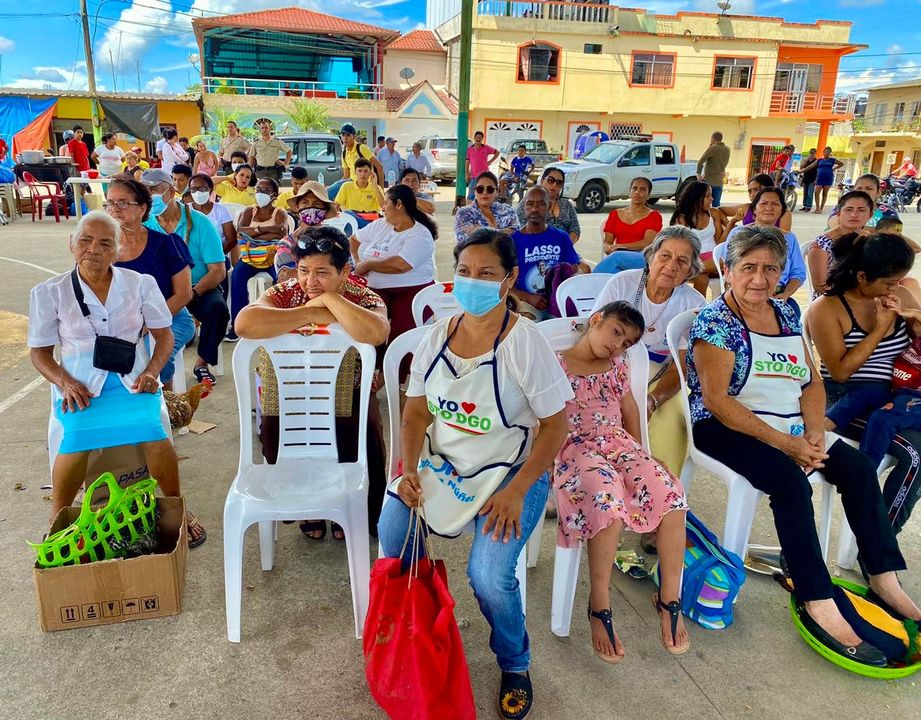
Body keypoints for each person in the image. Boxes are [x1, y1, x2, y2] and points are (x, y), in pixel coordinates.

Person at [689, 225, 921, 667]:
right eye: (749, 267)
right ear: (729, 270)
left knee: (857, 468)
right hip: (727, 427)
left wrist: (814, 430)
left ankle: (882, 577)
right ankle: (816, 595)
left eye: (770, 269)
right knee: (790, 484)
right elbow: (718, 401)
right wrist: (786, 445)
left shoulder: (786, 312)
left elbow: (811, 381)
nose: (759, 278)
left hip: (790, 423)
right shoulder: (715, 321)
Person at [378, 229, 572, 719]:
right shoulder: (436, 336)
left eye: (487, 273)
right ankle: (422, 628)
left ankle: (514, 660)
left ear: (508, 279)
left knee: (488, 576)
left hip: (510, 473)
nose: (473, 281)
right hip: (442, 463)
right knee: (393, 533)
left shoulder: (524, 342)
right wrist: (408, 469)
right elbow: (416, 412)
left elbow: (555, 426)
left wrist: (518, 491)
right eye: (465, 271)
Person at [28, 210, 206, 548]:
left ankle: (175, 506)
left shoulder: (140, 284)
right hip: (80, 386)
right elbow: (39, 354)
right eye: (85, 240)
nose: (93, 249)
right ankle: (58, 517)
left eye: (105, 243)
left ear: (118, 250)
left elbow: (164, 336)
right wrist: (65, 382)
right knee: (75, 435)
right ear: (71, 244)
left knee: (153, 432)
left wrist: (152, 371)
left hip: (133, 381)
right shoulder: (49, 292)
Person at [235, 225, 391, 538]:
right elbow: (244, 323)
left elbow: (376, 332)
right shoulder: (285, 292)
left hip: (350, 393)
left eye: (322, 273)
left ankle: (353, 508)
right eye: (304, 270)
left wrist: (332, 301)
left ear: (344, 272)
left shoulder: (363, 296)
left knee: (366, 430)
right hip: (291, 393)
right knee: (275, 429)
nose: (310, 281)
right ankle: (309, 508)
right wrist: (311, 313)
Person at [555, 301, 689, 660]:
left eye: (627, 342)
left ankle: (669, 598)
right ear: (596, 319)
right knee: (607, 501)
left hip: (618, 444)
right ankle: (599, 603)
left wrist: (643, 454)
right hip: (576, 450)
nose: (617, 345)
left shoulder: (616, 366)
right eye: (616, 333)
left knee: (671, 495)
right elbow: (544, 416)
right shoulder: (557, 364)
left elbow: (629, 409)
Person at [808, 232, 921, 537]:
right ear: (862, 276)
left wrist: (915, 321)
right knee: (916, 455)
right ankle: (879, 541)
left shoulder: (900, 295)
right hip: (847, 398)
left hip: (897, 396)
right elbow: (840, 372)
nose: (895, 288)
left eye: (899, 281)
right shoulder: (827, 309)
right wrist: (879, 330)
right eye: (888, 282)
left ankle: (879, 540)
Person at [591, 227, 706, 475]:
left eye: (682, 261)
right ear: (650, 256)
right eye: (665, 256)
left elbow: (682, 365)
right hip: (611, 366)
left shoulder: (694, 303)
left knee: (673, 420)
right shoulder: (622, 284)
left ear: (690, 271)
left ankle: (659, 486)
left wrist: (654, 399)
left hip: (663, 375)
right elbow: (594, 336)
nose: (671, 266)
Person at [103, 178, 193, 390]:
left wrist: (147, 323)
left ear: (142, 209)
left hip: (171, 318)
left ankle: (167, 400)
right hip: (120, 323)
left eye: (123, 202)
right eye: (110, 203)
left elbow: (184, 294)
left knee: (154, 354)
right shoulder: (101, 249)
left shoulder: (166, 244)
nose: (115, 209)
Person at [141, 169, 228, 385]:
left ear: (171, 192)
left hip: (198, 287)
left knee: (217, 310)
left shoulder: (199, 222)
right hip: (159, 291)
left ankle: (202, 363)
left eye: (154, 190)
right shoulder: (144, 225)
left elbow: (218, 270)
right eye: (145, 191)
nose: (149, 196)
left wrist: (192, 293)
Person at [351, 184, 437, 368]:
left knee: (401, 336)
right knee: (371, 331)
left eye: (386, 203)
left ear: (399, 204)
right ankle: (372, 375)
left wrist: (368, 264)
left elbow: (401, 265)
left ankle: (395, 377)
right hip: (375, 289)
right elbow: (354, 240)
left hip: (412, 290)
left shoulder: (420, 234)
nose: (382, 207)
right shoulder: (380, 225)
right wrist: (356, 261)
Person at [511, 186, 588, 321]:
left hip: (557, 300)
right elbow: (503, 284)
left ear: (549, 207)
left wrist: (560, 273)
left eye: (541, 204)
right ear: (524, 207)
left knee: (572, 325)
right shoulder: (513, 241)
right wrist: (528, 297)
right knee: (527, 321)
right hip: (528, 302)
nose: (534, 209)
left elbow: (573, 266)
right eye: (530, 204)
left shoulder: (561, 237)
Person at [724, 188, 806, 310]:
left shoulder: (789, 238)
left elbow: (798, 273)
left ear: (782, 211)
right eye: (763, 203)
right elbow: (729, 267)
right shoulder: (738, 234)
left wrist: (785, 294)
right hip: (744, 294)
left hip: (779, 295)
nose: (769, 207)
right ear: (754, 210)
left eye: (775, 204)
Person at [228, 177, 290, 338]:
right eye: (258, 190)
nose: (260, 193)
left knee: (280, 281)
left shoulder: (280, 212)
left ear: (274, 194)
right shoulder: (249, 211)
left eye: (265, 191)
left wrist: (254, 233)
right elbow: (240, 231)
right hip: (250, 256)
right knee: (237, 277)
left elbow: (281, 232)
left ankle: (278, 322)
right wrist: (266, 231)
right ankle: (237, 325)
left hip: (272, 257)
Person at [275, 181, 355, 282]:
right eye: (305, 203)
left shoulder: (337, 239)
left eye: (317, 204)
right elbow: (285, 277)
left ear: (325, 210)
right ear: (297, 207)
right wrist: (328, 273)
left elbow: (348, 273)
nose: (310, 208)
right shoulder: (287, 243)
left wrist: (299, 273)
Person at [807, 190, 875, 298]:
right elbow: (821, 286)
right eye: (848, 209)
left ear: (870, 215)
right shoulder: (822, 244)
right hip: (832, 299)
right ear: (838, 213)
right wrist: (855, 297)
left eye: (861, 210)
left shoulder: (870, 240)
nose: (854, 215)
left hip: (865, 297)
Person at [594, 177, 663, 275]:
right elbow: (608, 241)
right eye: (634, 188)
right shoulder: (615, 214)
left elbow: (647, 243)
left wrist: (619, 246)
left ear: (648, 195)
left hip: (643, 256)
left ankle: (589, 281)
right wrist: (607, 247)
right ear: (630, 192)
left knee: (616, 257)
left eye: (642, 189)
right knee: (615, 274)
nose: (637, 192)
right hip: (619, 256)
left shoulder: (654, 216)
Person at [670, 180, 726, 294]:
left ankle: (691, 269)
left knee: (723, 260)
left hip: (713, 258)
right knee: (703, 278)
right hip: (693, 259)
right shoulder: (682, 219)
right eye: (708, 196)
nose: (712, 199)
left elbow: (720, 241)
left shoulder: (713, 213)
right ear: (696, 198)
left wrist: (731, 224)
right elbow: (679, 245)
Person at [516, 166, 580, 245]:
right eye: (550, 180)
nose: (554, 185)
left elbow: (575, 229)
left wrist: (565, 245)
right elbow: (522, 228)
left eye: (559, 182)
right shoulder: (528, 203)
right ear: (542, 180)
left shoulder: (566, 205)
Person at [187, 173, 238, 265]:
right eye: (193, 189)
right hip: (191, 257)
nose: (198, 192)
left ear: (210, 189)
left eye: (202, 188)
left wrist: (214, 256)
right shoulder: (185, 210)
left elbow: (231, 239)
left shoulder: (221, 210)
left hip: (217, 256)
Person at [456, 171, 519, 244]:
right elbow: (466, 243)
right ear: (475, 191)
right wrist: (503, 232)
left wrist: (485, 232)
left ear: (496, 191)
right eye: (480, 189)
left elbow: (518, 235)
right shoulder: (465, 213)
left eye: (490, 189)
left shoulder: (507, 209)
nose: (485, 192)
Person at [720, 174, 794, 233]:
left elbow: (784, 239)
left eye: (756, 189)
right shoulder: (747, 208)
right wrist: (730, 225)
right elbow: (719, 210)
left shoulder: (784, 213)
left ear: (769, 188)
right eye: (750, 191)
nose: (752, 194)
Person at [827, 173, 901, 232]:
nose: (864, 191)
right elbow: (833, 224)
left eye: (869, 189)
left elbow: (893, 231)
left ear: (878, 192)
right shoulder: (843, 206)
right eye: (859, 188)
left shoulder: (887, 211)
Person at [328, 123, 383, 201]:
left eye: (348, 135)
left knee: (328, 192)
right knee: (329, 194)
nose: (345, 138)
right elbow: (346, 176)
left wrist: (381, 189)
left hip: (366, 183)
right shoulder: (344, 153)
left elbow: (379, 166)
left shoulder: (361, 148)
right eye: (343, 135)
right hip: (352, 184)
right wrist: (335, 185)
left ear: (354, 136)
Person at [335, 158, 384, 228]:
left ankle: (367, 228)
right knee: (348, 214)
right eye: (360, 171)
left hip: (370, 219)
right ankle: (367, 228)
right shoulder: (346, 186)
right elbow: (336, 206)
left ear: (370, 173)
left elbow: (383, 206)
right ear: (355, 172)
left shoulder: (376, 188)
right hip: (352, 220)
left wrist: (375, 186)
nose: (363, 174)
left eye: (366, 171)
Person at [803, 146, 843, 214]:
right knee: (816, 193)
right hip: (820, 178)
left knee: (825, 194)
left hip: (828, 178)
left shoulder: (832, 160)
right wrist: (801, 171)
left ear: (830, 153)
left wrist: (834, 169)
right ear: (823, 153)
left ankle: (821, 208)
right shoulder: (819, 160)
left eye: (828, 152)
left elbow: (841, 164)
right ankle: (817, 208)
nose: (826, 153)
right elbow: (810, 166)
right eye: (825, 152)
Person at [695, 131, 730, 207]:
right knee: (716, 205)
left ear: (713, 138)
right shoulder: (727, 149)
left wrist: (698, 175)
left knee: (703, 203)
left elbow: (701, 161)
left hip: (709, 181)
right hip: (719, 181)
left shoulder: (713, 148)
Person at [466, 131, 500, 201]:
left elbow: (497, 152)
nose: (478, 139)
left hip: (485, 176)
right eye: (477, 138)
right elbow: (467, 162)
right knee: (471, 195)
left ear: (482, 139)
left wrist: (490, 161)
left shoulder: (486, 147)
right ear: (474, 138)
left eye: (480, 138)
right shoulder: (469, 149)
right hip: (474, 176)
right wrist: (466, 174)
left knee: (485, 194)